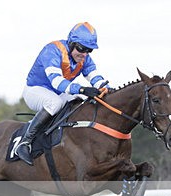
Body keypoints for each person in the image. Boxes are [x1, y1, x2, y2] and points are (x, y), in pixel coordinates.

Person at [13, 22, 110, 165]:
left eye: (89, 50)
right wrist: (83, 89)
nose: (84, 54)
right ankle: (25, 142)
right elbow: (57, 82)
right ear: (71, 43)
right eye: (81, 48)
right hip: (35, 90)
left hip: (58, 93)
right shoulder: (52, 50)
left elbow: (95, 77)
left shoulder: (84, 58)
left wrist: (107, 89)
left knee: (81, 99)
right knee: (55, 102)